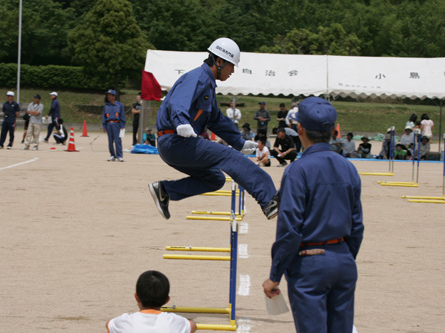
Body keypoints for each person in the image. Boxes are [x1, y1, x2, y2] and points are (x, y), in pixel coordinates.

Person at [262, 96, 364, 333]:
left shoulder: (297, 170)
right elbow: (357, 225)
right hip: (343, 259)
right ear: (332, 130)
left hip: (310, 262)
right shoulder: (348, 167)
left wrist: (275, 274)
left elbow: (290, 229)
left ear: (300, 129)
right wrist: (345, 256)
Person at [148, 37, 278, 220]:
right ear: (219, 61)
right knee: (229, 156)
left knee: (214, 178)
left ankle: (165, 190)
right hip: (175, 141)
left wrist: (239, 142)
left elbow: (216, 120)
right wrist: (181, 122)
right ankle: (269, 199)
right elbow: (178, 101)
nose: (232, 71)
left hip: (175, 145)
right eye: (231, 66)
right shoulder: (197, 77)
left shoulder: (207, 85)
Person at [106, 270, 197, 333]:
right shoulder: (176, 321)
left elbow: (109, 324)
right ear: (167, 300)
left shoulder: (124, 321)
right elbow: (192, 326)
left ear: (136, 297)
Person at [102, 89, 126, 162]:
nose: (108, 97)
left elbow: (122, 116)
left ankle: (119, 155)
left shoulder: (119, 105)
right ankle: (112, 155)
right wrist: (104, 126)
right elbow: (104, 116)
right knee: (110, 140)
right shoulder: (106, 106)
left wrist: (122, 125)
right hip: (109, 124)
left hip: (117, 124)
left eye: (110, 95)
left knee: (117, 140)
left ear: (114, 96)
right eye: (108, 95)